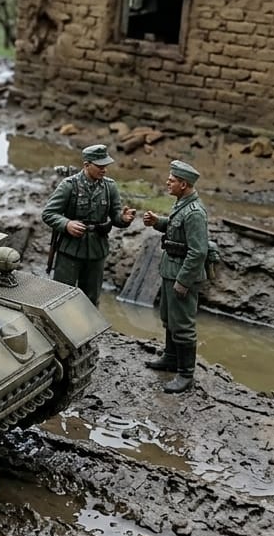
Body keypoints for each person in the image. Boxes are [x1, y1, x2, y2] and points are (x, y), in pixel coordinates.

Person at [142, 160, 209, 394]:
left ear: (184, 184)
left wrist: (183, 281)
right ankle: (170, 358)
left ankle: (185, 374)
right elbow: (175, 228)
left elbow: (198, 251)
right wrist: (157, 223)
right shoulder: (182, 203)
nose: (167, 183)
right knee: (169, 318)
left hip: (182, 273)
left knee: (183, 325)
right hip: (171, 268)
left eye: (172, 180)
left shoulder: (195, 213)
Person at [41, 143, 136, 305]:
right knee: (61, 296)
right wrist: (67, 224)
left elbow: (116, 217)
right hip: (70, 249)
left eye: (105, 166)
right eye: (99, 166)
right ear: (86, 165)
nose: (104, 169)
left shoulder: (109, 187)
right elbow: (48, 213)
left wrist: (124, 220)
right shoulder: (69, 185)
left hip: (96, 249)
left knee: (91, 298)